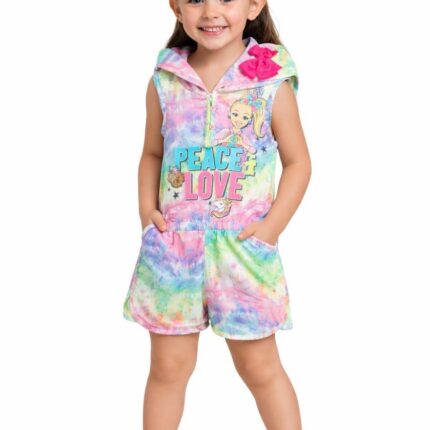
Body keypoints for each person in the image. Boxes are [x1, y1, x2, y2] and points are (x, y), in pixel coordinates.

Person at [122, 0, 311, 428]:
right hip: (174, 252)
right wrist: (147, 212)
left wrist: (270, 229)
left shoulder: (270, 82)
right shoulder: (166, 81)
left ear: (254, 4)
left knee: (260, 368)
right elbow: (152, 153)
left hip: (243, 253)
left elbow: (299, 162)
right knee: (168, 368)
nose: (210, 11)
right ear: (176, 7)